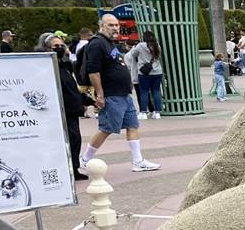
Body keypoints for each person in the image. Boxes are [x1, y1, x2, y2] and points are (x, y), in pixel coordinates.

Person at [80, 13, 160, 172]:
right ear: (101, 26)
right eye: (111, 25)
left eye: (116, 25)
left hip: (123, 94)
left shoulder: (109, 44)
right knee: (106, 128)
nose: (115, 28)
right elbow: (93, 71)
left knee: (132, 125)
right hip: (111, 94)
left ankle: (138, 161)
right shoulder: (97, 44)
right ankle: (84, 159)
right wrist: (100, 94)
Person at [38, 32, 88, 181]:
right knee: (65, 140)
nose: (59, 48)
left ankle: (73, 168)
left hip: (71, 109)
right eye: (56, 46)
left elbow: (71, 88)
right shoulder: (46, 67)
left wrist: (86, 100)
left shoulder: (64, 65)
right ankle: (64, 169)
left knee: (75, 139)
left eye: (61, 45)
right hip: (59, 109)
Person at [130, 30, 164, 120]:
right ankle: (157, 113)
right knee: (156, 91)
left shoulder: (140, 45)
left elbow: (133, 54)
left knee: (144, 92)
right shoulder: (157, 45)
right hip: (157, 71)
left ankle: (143, 112)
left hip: (144, 72)